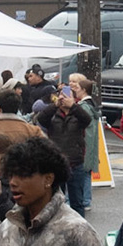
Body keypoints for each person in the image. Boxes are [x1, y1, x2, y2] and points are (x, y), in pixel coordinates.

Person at [40, 83, 95, 215]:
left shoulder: (78, 113)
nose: (64, 98)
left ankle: (79, 225)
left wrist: (73, 106)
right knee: (55, 201)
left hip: (75, 162)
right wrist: (55, 105)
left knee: (77, 202)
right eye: (61, 95)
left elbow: (87, 120)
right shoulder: (53, 114)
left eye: (67, 96)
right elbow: (41, 119)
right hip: (56, 163)